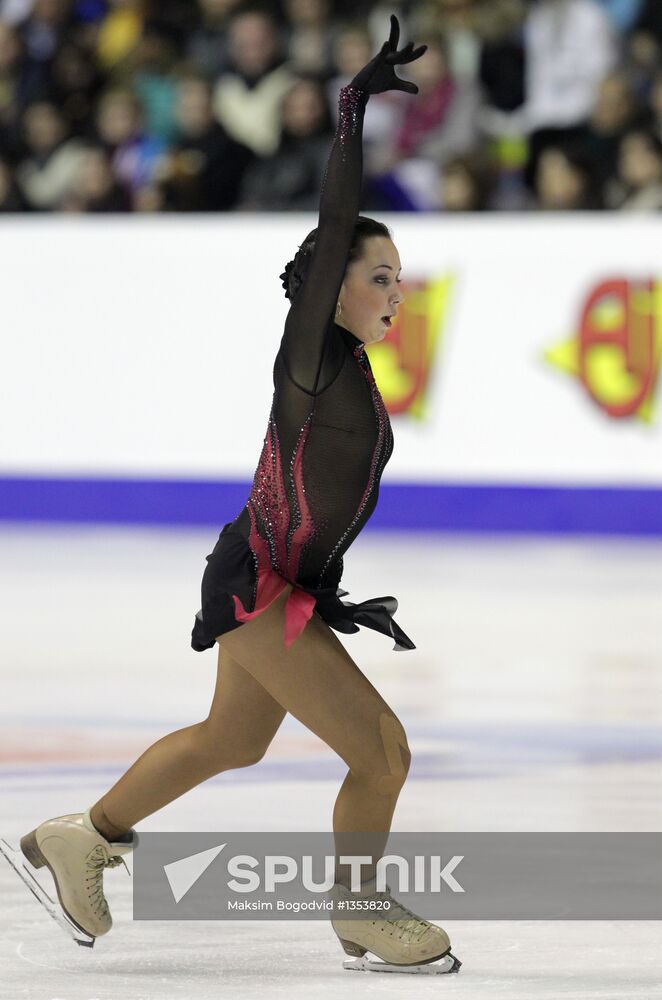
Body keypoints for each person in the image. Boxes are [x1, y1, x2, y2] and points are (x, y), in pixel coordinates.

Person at [15, 16, 460, 975]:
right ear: (329, 286)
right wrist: (351, 111)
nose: (396, 291)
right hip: (262, 582)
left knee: (233, 738)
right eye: (379, 275)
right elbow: (338, 216)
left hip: (272, 574)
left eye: (400, 278)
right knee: (381, 752)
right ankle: (360, 915)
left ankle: (80, 837)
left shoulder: (346, 366)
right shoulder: (309, 357)